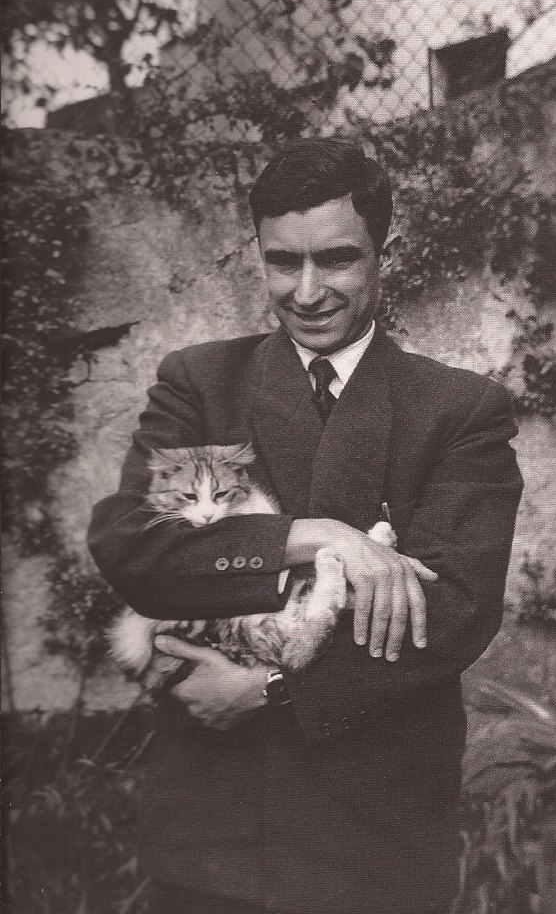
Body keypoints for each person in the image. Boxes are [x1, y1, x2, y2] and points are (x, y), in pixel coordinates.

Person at [89, 138, 523, 914]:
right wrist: (317, 536)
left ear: (385, 255)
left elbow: (455, 607)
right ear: (258, 256)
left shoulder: (457, 412)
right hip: (213, 833)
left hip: (373, 836)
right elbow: (141, 546)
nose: (308, 291)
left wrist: (270, 688)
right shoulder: (202, 385)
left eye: (337, 259)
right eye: (283, 262)